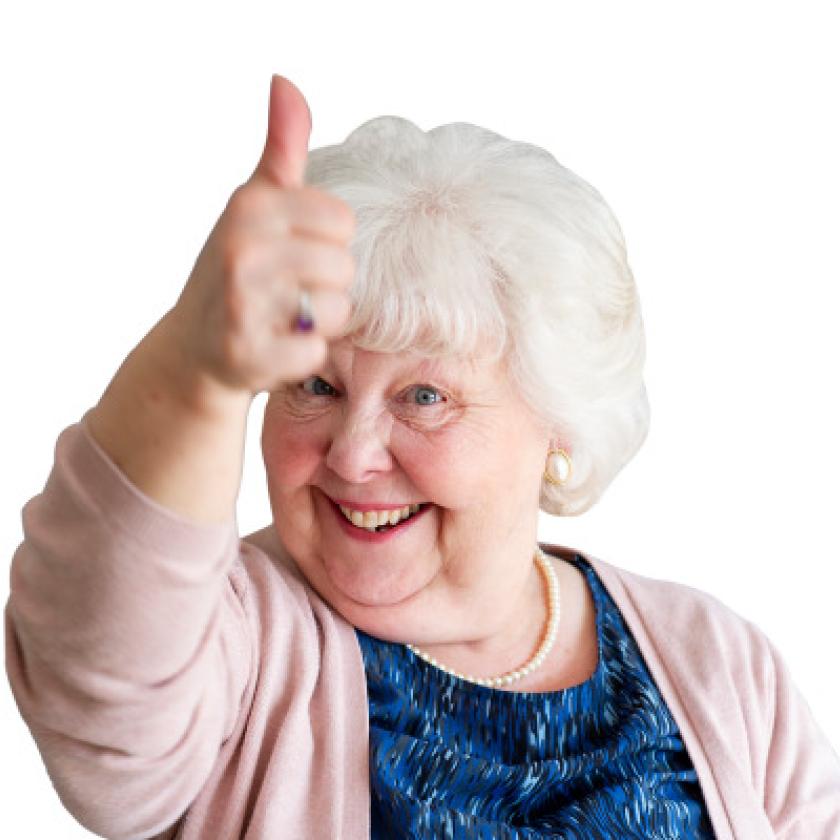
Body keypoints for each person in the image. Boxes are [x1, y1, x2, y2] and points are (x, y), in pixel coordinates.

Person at [5, 74, 840, 840]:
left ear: (558, 421)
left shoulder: (718, 663)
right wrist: (193, 368)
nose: (354, 454)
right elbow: (102, 690)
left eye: (424, 397)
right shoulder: (238, 641)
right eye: (316, 387)